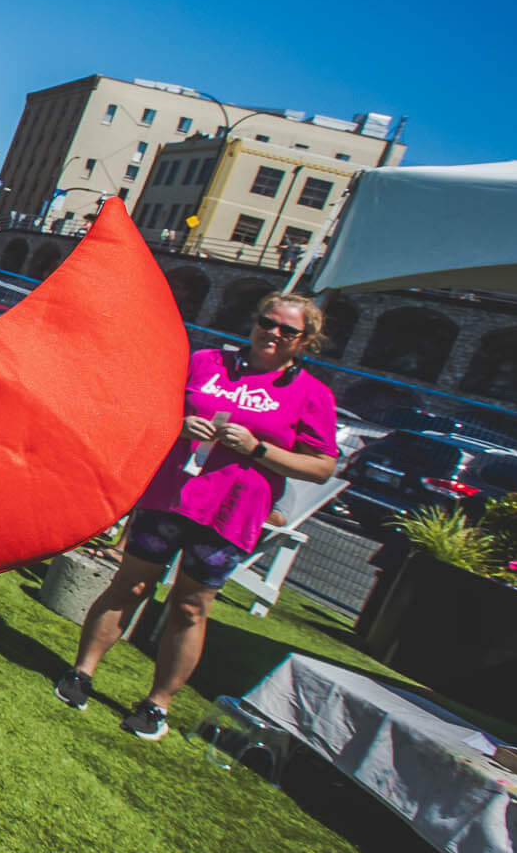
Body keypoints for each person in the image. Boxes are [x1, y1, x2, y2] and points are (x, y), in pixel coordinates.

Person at [54, 292, 339, 737]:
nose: (274, 334)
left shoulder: (311, 394)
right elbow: (152, 408)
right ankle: (81, 672)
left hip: (232, 512)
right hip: (172, 496)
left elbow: (322, 466)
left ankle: (156, 705)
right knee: (130, 583)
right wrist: (178, 422)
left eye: (288, 331)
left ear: (305, 341)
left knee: (190, 607)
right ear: (255, 321)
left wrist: (259, 449)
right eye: (268, 322)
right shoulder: (207, 362)